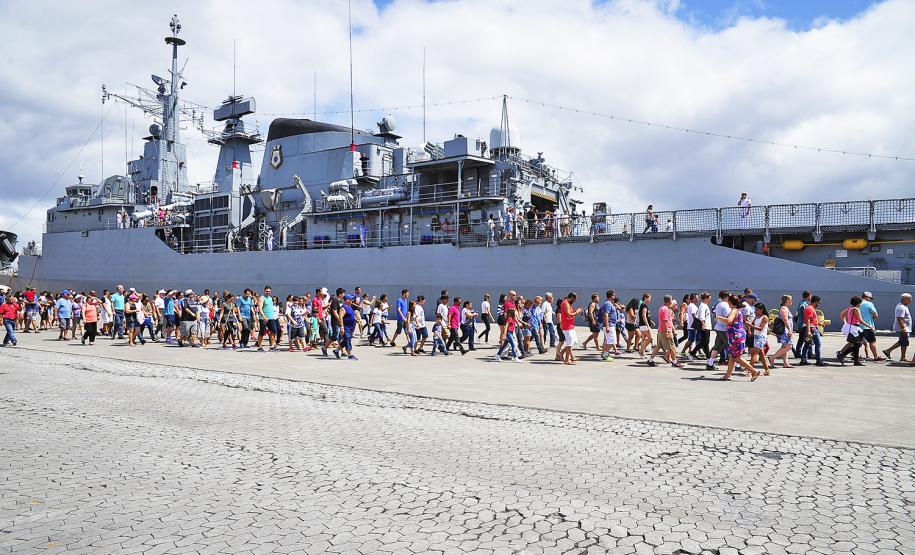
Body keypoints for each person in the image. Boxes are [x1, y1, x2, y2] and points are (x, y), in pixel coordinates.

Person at [719, 294, 760, 381]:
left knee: (736, 357)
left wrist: (719, 318)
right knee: (731, 356)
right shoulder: (737, 310)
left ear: (729, 302)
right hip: (736, 335)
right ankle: (728, 375)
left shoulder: (734, 310)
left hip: (736, 336)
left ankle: (754, 371)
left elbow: (729, 321)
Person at [647, 295, 683, 368]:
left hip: (661, 331)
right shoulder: (666, 309)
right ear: (669, 301)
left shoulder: (662, 308)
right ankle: (674, 362)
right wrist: (667, 332)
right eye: (671, 300)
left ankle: (650, 360)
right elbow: (665, 321)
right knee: (671, 347)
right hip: (665, 331)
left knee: (658, 346)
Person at [836, 296, 871, 366]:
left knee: (856, 344)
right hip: (854, 328)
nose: (861, 304)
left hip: (851, 327)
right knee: (857, 344)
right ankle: (842, 353)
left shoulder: (850, 308)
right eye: (860, 303)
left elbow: (842, 314)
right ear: (858, 303)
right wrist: (870, 326)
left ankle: (853, 359)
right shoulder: (856, 309)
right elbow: (860, 321)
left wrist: (845, 322)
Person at [705, 290, 732, 370]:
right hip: (723, 328)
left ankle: (710, 364)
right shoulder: (725, 305)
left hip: (719, 327)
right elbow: (729, 316)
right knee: (730, 346)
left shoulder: (719, 303)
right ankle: (737, 364)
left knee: (718, 346)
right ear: (727, 297)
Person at [768, 295, 795, 368]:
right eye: (790, 300)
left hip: (786, 330)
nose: (792, 301)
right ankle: (772, 358)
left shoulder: (785, 308)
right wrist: (789, 330)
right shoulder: (784, 308)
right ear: (786, 301)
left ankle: (785, 363)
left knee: (784, 347)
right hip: (784, 331)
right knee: (788, 346)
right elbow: (785, 320)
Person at [799, 295, 827, 366]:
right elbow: (808, 321)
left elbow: (811, 320)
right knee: (818, 344)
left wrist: (819, 323)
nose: (819, 304)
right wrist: (808, 331)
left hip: (811, 328)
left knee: (807, 343)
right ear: (816, 302)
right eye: (819, 302)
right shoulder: (810, 309)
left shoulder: (810, 308)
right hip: (812, 329)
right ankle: (818, 360)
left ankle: (803, 360)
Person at [883, 293, 912, 362]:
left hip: (904, 328)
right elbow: (900, 318)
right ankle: (889, 351)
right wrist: (904, 329)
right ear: (905, 299)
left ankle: (901, 356)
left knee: (903, 342)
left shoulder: (903, 306)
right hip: (903, 328)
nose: (911, 300)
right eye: (909, 298)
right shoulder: (901, 307)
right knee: (904, 342)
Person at [858, 292, 883, 361]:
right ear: (866, 297)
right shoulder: (869, 304)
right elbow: (876, 314)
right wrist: (872, 319)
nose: (870, 300)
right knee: (872, 342)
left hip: (858, 326)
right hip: (868, 327)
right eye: (870, 298)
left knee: (856, 342)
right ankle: (875, 356)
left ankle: (851, 354)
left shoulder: (858, 303)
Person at [559, 292, 582, 365]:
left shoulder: (567, 304)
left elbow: (569, 313)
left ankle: (561, 353)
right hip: (567, 326)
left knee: (572, 342)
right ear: (572, 297)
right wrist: (577, 312)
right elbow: (569, 314)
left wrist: (576, 311)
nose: (574, 301)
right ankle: (566, 360)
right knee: (569, 343)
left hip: (570, 326)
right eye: (574, 300)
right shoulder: (565, 303)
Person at [749, 303, 771, 375]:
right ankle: (767, 370)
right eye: (755, 310)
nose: (756, 311)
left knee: (754, 354)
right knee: (761, 354)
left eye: (757, 310)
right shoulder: (757, 316)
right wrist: (750, 329)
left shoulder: (765, 317)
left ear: (762, 310)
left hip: (761, 337)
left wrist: (750, 325)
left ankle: (750, 370)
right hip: (756, 336)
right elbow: (752, 324)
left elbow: (760, 328)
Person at [334, 294, 358, 360]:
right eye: (350, 299)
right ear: (347, 300)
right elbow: (340, 318)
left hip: (351, 327)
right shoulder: (343, 308)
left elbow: (351, 315)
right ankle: (349, 354)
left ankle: (336, 351)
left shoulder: (349, 306)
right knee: (348, 340)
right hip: (346, 327)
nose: (352, 300)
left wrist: (355, 320)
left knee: (345, 340)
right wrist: (342, 327)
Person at [599, 291, 619, 362]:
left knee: (607, 341)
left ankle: (605, 354)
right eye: (614, 295)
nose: (615, 296)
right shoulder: (608, 304)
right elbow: (606, 314)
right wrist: (607, 325)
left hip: (611, 324)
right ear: (611, 296)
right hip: (610, 325)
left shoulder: (609, 303)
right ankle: (605, 354)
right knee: (612, 341)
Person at [637, 293, 653, 358]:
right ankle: (641, 351)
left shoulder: (642, 305)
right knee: (650, 338)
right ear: (645, 298)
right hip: (644, 325)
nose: (650, 300)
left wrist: (651, 321)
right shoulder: (644, 306)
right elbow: (643, 316)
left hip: (642, 325)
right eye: (649, 298)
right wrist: (648, 325)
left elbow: (644, 316)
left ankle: (642, 354)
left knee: (643, 339)